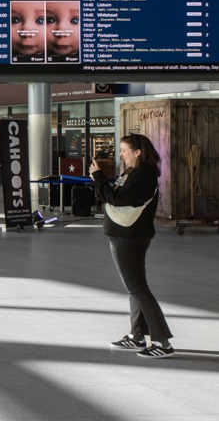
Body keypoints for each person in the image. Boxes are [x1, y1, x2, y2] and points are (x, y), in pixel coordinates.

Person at [90, 134, 174, 359]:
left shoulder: (144, 175)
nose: (121, 155)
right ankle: (137, 335)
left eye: (124, 150)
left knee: (138, 288)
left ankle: (162, 342)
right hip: (123, 236)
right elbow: (112, 196)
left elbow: (116, 199)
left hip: (130, 238)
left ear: (138, 152)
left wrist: (98, 177)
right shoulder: (133, 173)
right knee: (134, 288)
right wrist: (100, 180)